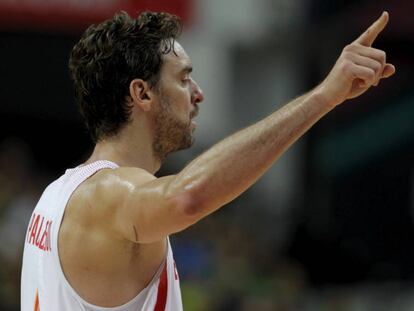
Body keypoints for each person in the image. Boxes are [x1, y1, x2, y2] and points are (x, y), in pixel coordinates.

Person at [20, 10, 395, 311]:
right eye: (184, 79)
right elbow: (188, 197)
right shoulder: (109, 193)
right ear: (142, 93)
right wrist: (325, 97)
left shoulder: (56, 195)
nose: (198, 94)